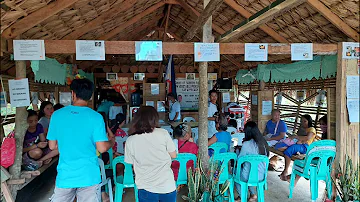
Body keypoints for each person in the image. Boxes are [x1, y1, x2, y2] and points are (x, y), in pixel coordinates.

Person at [48, 78, 115, 202]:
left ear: (73, 93)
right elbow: (101, 148)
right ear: (90, 96)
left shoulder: (57, 115)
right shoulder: (96, 117)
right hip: (89, 175)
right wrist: (112, 141)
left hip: (65, 175)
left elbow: (52, 146)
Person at [124, 106, 177, 202]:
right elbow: (173, 155)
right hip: (166, 185)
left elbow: (130, 162)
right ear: (154, 119)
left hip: (145, 187)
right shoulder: (163, 133)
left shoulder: (130, 140)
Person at [235, 121, 268, 202]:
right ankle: (253, 194)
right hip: (261, 176)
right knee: (250, 172)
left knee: (236, 173)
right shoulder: (264, 143)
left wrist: (237, 151)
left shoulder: (246, 144)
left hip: (248, 176)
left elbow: (240, 160)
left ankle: (242, 196)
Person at [279, 114, 316, 183]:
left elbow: (307, 138)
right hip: (299, 145)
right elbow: (298, 137)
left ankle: (286, 170)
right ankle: (287, 172)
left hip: (305, 147)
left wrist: (296, 137)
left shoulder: (312, 129)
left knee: (288, 151)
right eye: (301, 121)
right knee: (284, 148)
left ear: (309, 121)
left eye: (305, 121)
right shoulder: (301, 128)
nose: (302, 123)